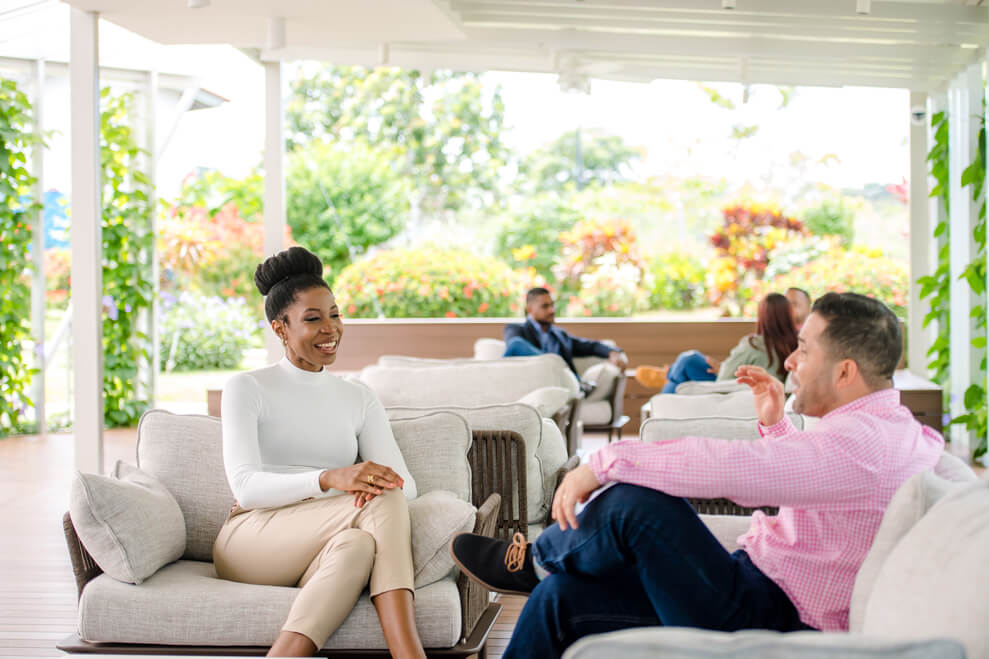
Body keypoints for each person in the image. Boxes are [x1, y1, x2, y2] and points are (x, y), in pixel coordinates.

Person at [451, 292, 944, 659]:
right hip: (757, 589)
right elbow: (825, 482)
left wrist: (601, 462)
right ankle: (545, 570)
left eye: (804, 349)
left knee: (633, 505)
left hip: (771, 616)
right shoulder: (887, 432)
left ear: (845, 372)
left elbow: (733, 469)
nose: (790, 361)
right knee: (561, 600)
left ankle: (536, 560)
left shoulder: (861, 445)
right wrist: (776, 425)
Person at [214, 246, 426, 658]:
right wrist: (331, 478)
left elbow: (406, 486)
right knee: (382, 502)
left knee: (361, 545)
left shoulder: (358, 397)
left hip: (325, 539)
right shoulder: (247, 387)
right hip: (251, 537)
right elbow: (247, 487)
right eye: (313, 319)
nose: (330, 329)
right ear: (280, 328)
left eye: (335, 314)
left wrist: (356, 488)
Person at [637, 292, 799, 393]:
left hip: (727, 388)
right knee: (688, 364)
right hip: (744, 387)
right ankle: (670, 375)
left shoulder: (755, 344)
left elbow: (724, 376)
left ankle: (667, 376)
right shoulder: (794, 344)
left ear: (763, 317)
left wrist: (721, 367)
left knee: (690, 359)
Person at [503, 287, 628, 382]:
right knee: (516, 344)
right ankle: (555, 365)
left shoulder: (560, 336)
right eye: (545, 306)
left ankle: (563, 372)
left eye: (552, 305)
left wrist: (614, 352)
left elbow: (590, 346)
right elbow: (514, 347)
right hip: (532, 382)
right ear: (529, 309)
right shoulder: (516, 329)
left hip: (561, 383)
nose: (551, 310)